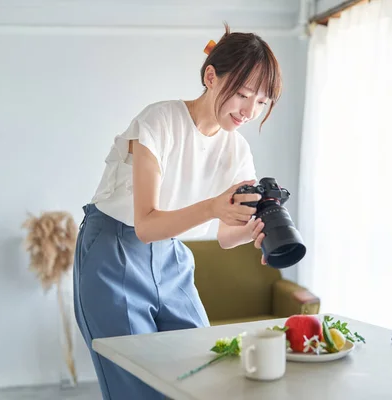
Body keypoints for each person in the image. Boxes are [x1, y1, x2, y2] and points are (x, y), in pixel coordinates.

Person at [72, 23, 282, 400]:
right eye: (244, 94)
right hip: (112, 250)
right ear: (211, 77)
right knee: (134, 384)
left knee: (205, 368)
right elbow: (147, 225)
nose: (250, 111)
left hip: (171, 258)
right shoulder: (160, 121)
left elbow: (224, 234)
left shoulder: (236, 150)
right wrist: (214, 207)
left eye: (262, 101)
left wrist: (259, 230)